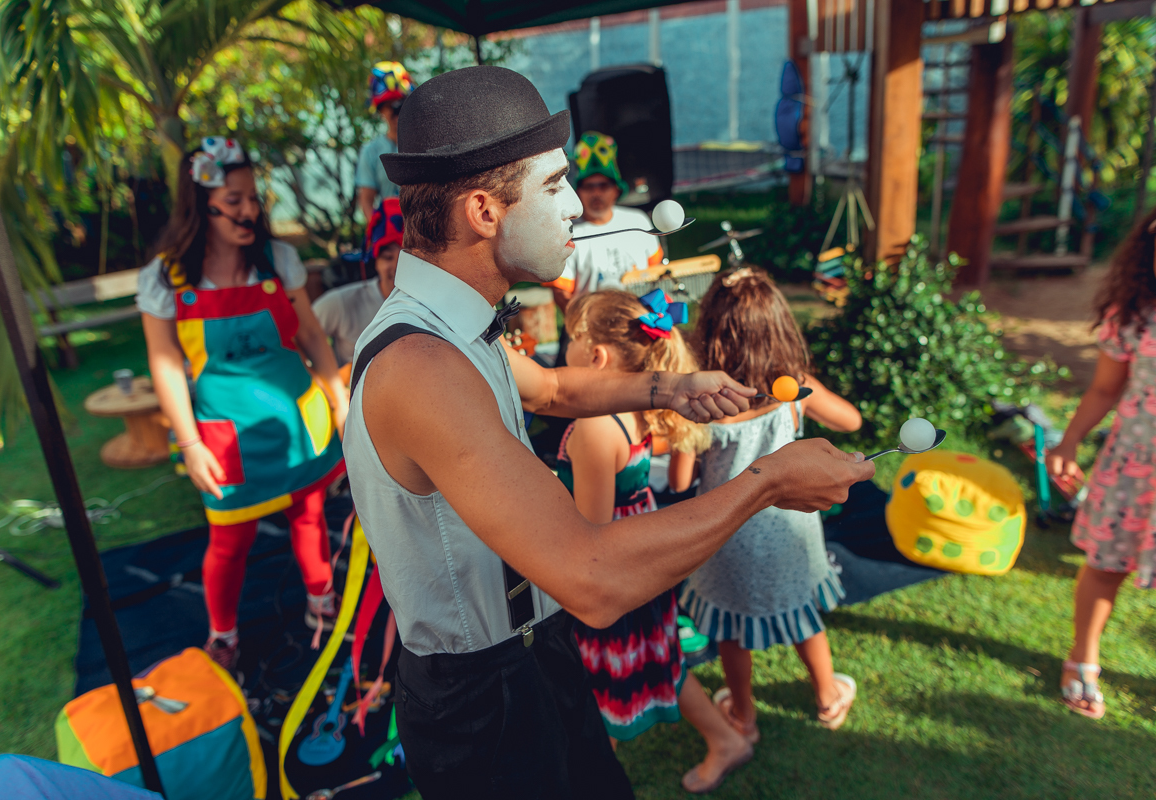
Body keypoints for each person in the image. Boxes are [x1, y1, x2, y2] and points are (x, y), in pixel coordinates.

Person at [341, 66, 873, 799]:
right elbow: (591, 578)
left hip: (535, 656)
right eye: (553, 186)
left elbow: (554, 387)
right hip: (480, 697)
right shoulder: (422, 365)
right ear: (483, 211)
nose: (570, 207)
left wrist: (673, 388)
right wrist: (770, 480)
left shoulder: (460, 328)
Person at [138, 137, 350, 672]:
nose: (249, 210)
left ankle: (321, 606)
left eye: (253, 198)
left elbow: (312, 338)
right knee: (230, 539)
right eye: (234, 200)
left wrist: (338, 397)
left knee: (310, 517)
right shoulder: (167, 278)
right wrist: (188, 443)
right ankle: (223, 633)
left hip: (299, 421)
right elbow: (164, 366)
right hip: (224, 434)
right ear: (201, 202)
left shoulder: (278, 261)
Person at [556, 290, 753, 794]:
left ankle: (594, 779)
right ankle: (725, 740)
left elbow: (590, 535)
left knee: (600, 675)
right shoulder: (631, 407)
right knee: (658, 654)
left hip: (618, 569)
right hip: (641, 559)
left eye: (569, 341)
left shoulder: (596, 424)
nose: (562, 353)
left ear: (594, 356)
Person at [679, 267, 864, 738]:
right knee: (803, 615)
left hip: (727, 533)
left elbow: (682, 479)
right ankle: (826, 695)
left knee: (730, 630)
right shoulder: (796, 387)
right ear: (779, 326)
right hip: (791, 533)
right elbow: (850, 420)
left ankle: (744, 714)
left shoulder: (705, 400)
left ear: (711, 330)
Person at [1047, 203, 1156, 720]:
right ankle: (1082, 658)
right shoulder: (1135, 317)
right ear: (1149, 258)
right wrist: (1067, 443)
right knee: (1105, 565)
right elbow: (1102, 391)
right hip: (1133, 471)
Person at [545, 132, 663, 312]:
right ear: (578, 192)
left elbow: (657, 272)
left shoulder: (639, 221)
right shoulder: (566, 232)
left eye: (603, 186)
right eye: (589, 186)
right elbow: (561, 293)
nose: (596, 193)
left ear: (616, 189)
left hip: (639, 322)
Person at [313, 197, 403, 366]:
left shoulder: (435, 305)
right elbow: (304, 335)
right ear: (375, 262)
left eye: (407, 256)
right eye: (387, 257)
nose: (398, 266)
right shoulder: (341, 303)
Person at [355, 61, 414, 217]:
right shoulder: (371, 151)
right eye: (389, 106)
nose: (395, 112)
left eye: (399, 104)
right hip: (392, 230)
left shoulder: (423, 142)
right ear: (380, 110)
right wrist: (379, 233)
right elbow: (366, 200)